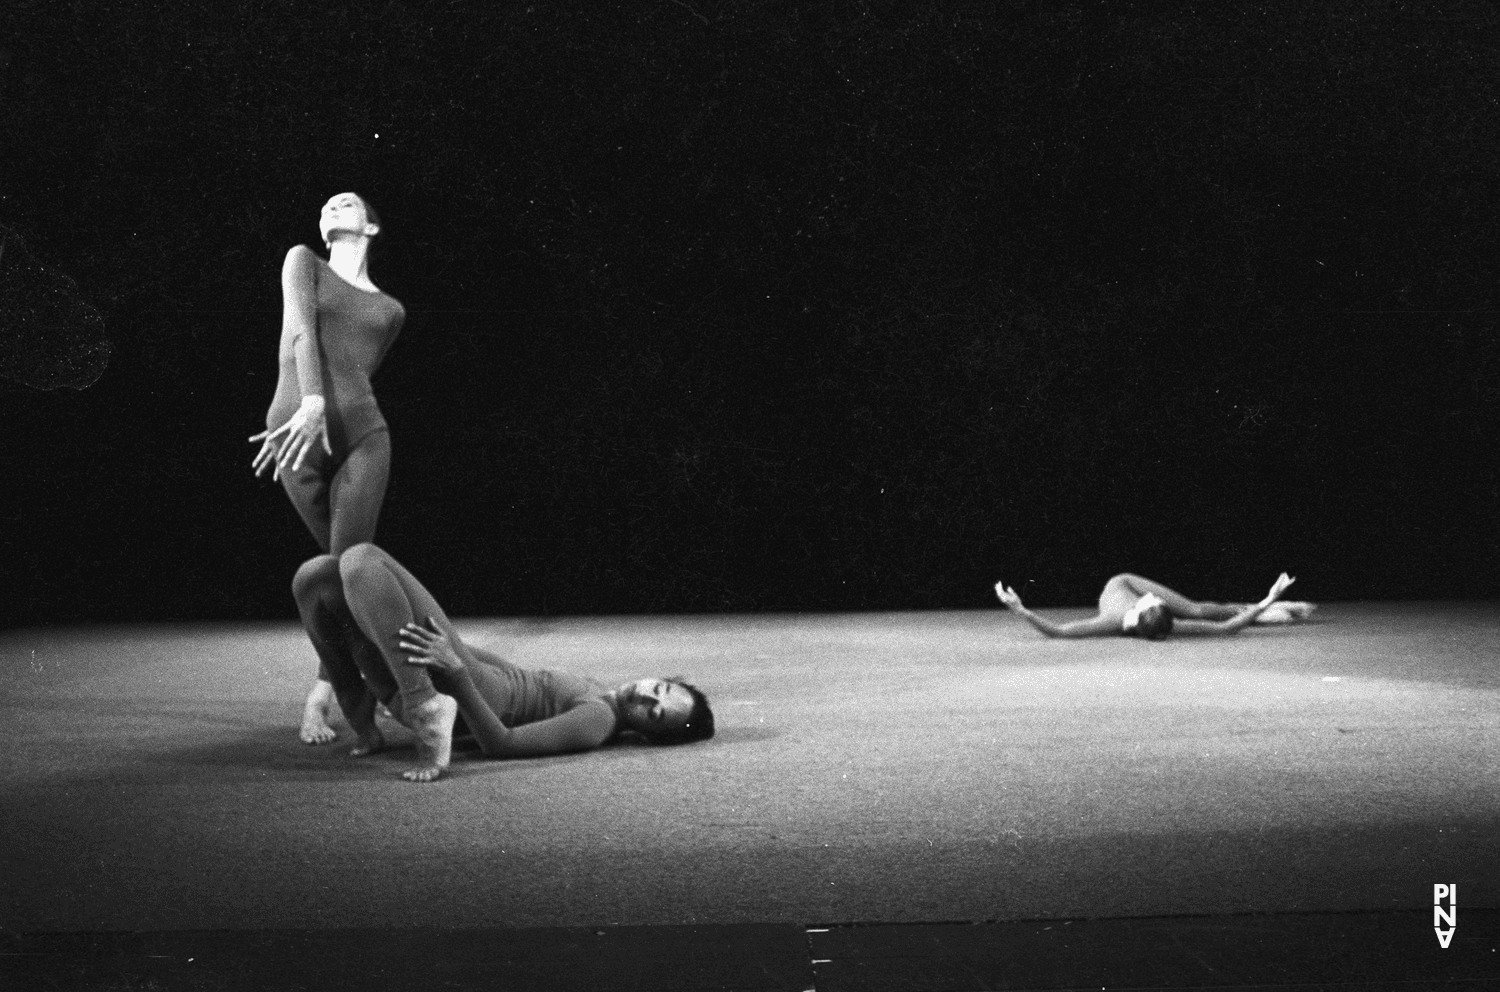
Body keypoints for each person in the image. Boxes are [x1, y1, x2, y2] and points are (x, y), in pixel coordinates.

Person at [292, 545, 715, 782]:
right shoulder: (597, 691)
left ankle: (422, 706)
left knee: (363, 562)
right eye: (658, 688)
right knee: (316, 577)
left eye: (654, 713)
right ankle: (357, 704)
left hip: (460, 688)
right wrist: (461, 652)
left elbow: (503, 742)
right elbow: (516, 676)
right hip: (466, 676)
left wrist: (456, 672)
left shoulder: (597, 720)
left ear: (645, 734)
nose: (645, 696)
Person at [248, 193, 406, 745]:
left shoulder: (390, 310)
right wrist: (310, 400)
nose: (333, 207)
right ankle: (381, 692)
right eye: (326, 207)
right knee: (336, 580)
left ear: (372, 226)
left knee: (347, 570)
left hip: (360, 434)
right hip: (293, 429)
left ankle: (338, 700)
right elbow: (299, 332)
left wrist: (327, 406)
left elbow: (360, 372)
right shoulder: (302, 261)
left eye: (347, 203)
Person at [994, 572, 1312, 639]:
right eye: (1155, 601)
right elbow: (1225, 629)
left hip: (1124, 582)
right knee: (1201, 614)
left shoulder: (1114, 621)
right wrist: (1270, 598)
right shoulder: (1167, 625)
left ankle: (1249, 607)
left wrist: (1022, 610)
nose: (1157, 599)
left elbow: (1059, 632)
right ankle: (1257, 608)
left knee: (1199, 609)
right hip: (1128, 587)